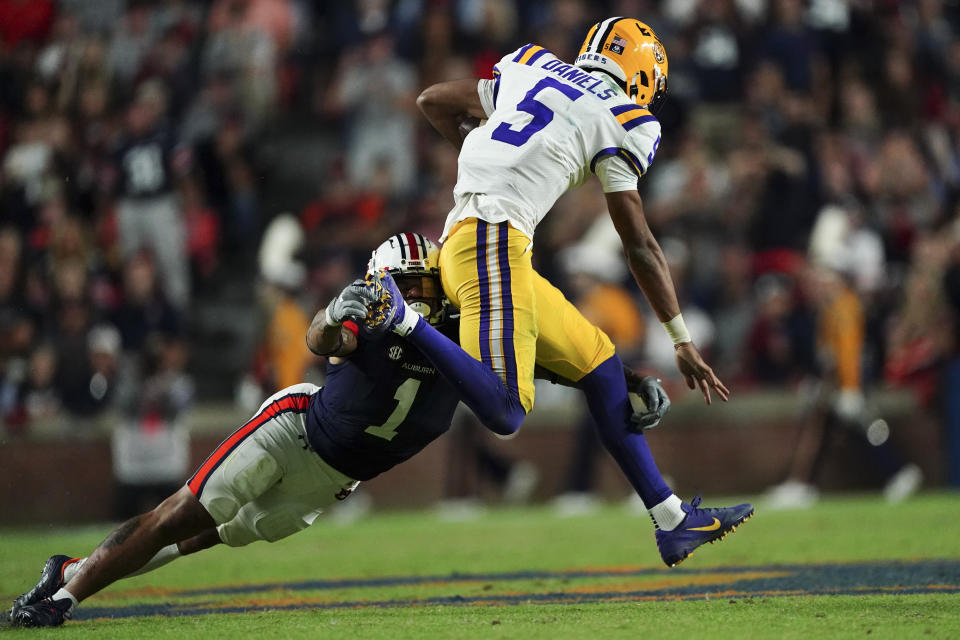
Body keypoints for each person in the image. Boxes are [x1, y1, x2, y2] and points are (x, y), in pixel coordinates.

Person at [8, 233, 667, 627]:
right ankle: (66, 597)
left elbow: (531, 370)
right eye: (398, 283)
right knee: (182, 511)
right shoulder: (376, 317)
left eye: (415, 281)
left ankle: (70, 568)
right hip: (294, 430)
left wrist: (619, 379)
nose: (409, 293)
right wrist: (331, 313)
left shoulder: (467, 330)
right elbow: (326, 339)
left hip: (333, 481)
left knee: (196, 540)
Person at [404, 17, 753, 567]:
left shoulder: (534, 67)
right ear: (642, 76)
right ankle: (402, 321)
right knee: (505, 410)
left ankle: (672, 521)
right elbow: (638, 243)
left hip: (483, 239)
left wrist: (487, 158)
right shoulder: (625, 118)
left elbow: (432, 100)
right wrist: (680, 338)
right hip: (492, 239)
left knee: (601, 363)